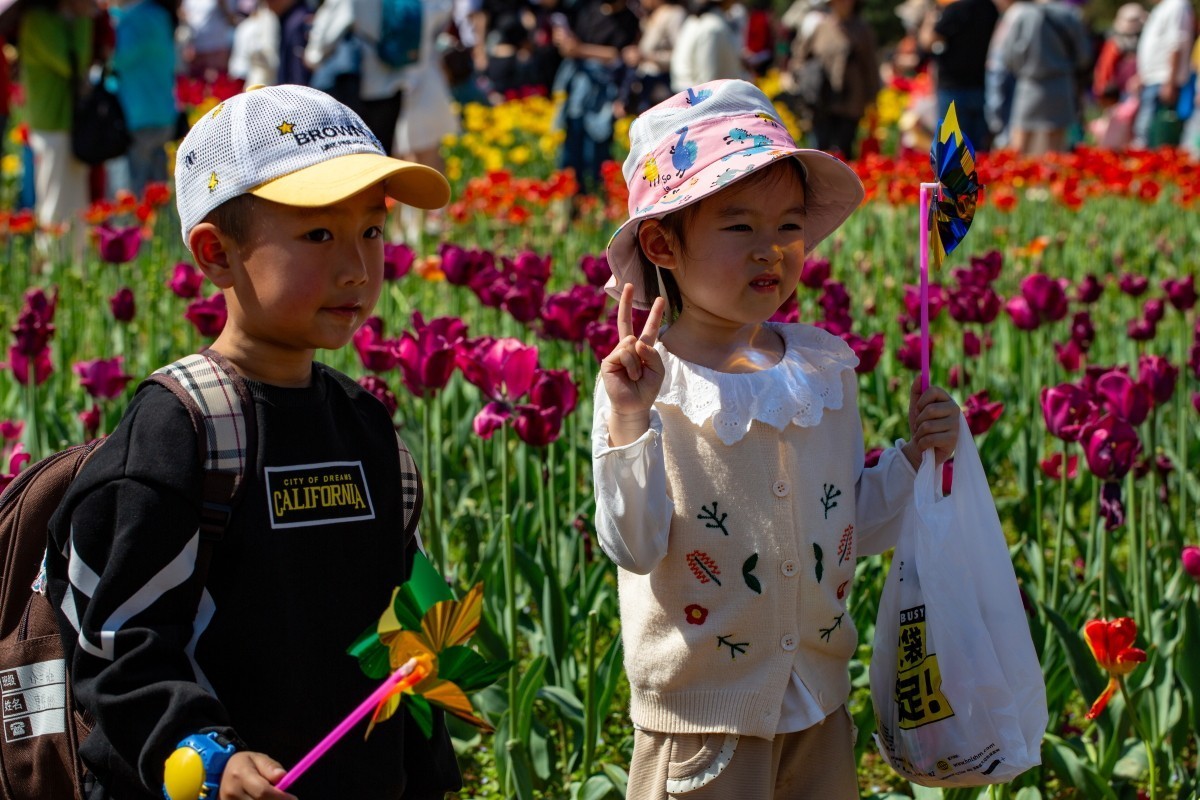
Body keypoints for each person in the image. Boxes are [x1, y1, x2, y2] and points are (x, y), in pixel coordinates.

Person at [45, 84, 461, 800]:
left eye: (371, 231)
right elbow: (117, 645)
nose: (358, 268)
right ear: (215, 253)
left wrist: (428, 777)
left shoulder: (365, 425)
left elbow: (407, 648)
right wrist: (205, 755)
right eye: (319, 235)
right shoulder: (184, 429)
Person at [592, 78, 961, 800]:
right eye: (739, 228)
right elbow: (632, 544)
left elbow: (851, 518)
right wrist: (631, 421)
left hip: (818, 706)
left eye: (788, 227)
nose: (772, 252)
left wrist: (919, 460)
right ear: (664, 240)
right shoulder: (644, 384)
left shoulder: (821, 370)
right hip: (701, 728)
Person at [17, 0, 94, 246]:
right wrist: (84, 20)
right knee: (55, 204)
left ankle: (74, 267)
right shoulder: (38, 21)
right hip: (51, 125)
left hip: (71, 124)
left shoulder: (59, 19)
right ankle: (52, 271)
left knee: (76, 206)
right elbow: (74, 63)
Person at [551, 0, 639, 194]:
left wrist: (580, 49)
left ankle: (594, 198)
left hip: (605, 92)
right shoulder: (587, 9)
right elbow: (568, 45)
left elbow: (618, 55)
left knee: (597, 148)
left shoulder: (629, 19)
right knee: (572, 146)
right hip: (578, 90)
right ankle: (572, 199)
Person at [992, 0, 1091, 155]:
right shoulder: (1069, 14)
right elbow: (1084, 55)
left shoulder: (1023, 14)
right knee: (1056, 147)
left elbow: (1009, 55)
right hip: (1061, 83)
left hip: (1029, 83)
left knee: (1021, 142)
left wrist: (1022, 70)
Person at [109, 0, 177, 195]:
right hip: (164, 114)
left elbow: (118, 60)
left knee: (133, 193)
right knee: (160, 193)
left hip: (137, 117)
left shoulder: (133, 19)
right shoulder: (161, 14)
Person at [796, 0, 880, 158]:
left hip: (852, 99)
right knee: (821, 149)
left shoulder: (862, 29)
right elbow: (801, 57)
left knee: (844, 148)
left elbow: (871, 66)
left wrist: (873, 96)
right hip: (821, 98)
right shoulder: (820, 27)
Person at [919, 0, 998, 151]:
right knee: (980, 153)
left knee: (953, 153)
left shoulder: (954, 9)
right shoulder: (990, 8)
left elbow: (928, 42)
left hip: (953, 89)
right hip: (982, 88)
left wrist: (930, 17)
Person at [1134, 0, 1194, 147]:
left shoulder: (1177, 5)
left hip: (1163, 79)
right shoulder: (1163, 7)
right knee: (1144, 130)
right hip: (1153, 79)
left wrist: (1170, 81)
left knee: (1153, 133)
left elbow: (1176, 44)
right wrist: (1142, 75)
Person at [670, 0, 746, 92]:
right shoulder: (713, 27)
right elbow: (708, 82)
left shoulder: (697, 21)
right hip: (699, 98)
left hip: (691, 96)